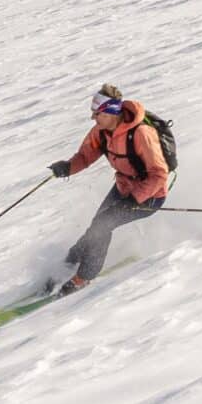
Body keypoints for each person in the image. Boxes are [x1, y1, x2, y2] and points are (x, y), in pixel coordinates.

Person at [48, 83, 169, 292]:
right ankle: (70, 261)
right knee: (97, 224)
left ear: (112, 111)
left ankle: (84, 277)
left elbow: (159, 173)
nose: (93, 118)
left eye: (98, 114)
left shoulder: (141, 134)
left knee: (103, 224)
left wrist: (134, 200)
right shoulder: (101, 131)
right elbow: (86, 156)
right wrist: (67, 167)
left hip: (149, 196)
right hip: (124, 188)